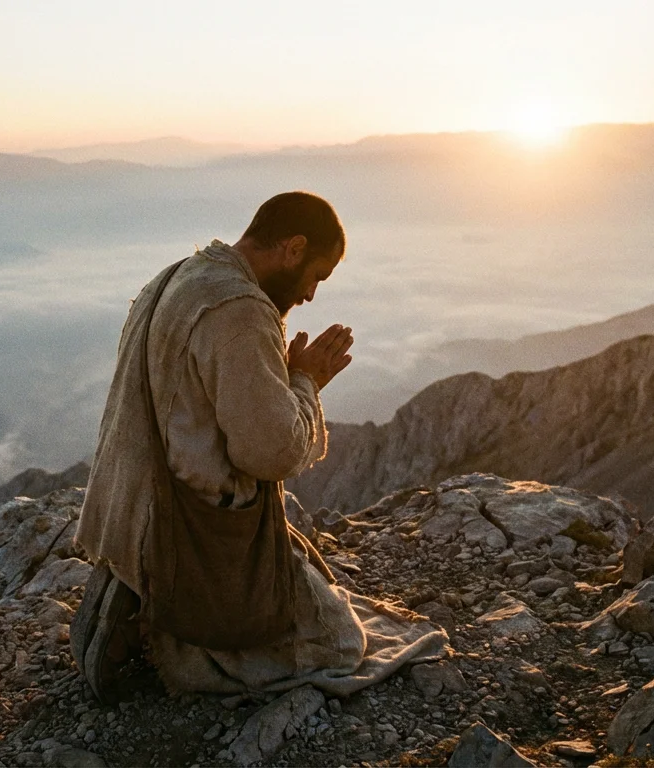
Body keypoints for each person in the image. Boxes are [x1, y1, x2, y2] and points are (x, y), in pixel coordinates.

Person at [73, 192, 446, 703]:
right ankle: (166, 639)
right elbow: (270, 454)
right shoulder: (240, 312)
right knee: (340, 642)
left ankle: (138, 587)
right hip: (187, 531)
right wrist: (306, 382)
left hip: (128, 510)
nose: (312, 295)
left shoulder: (181, 275)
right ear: (293, 248)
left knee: (305, 585)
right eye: (316, 276)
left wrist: (284, 378)